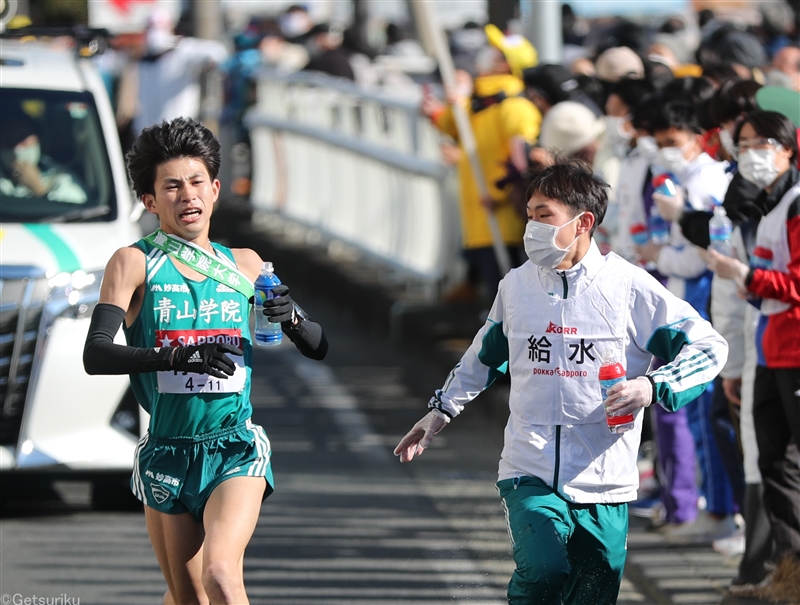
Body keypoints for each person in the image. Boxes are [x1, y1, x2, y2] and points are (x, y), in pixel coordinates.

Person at [395, 157, 729, 605]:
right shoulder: (515, 286)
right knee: (545, 571)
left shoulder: (629, 287)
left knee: (594, 589)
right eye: (528, 216)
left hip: (604, 478)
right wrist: (439, 412)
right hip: (528, 467)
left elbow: (709, 346)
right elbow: (484, 357)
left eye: (543, 216)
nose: (531, 227)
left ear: (583, 222)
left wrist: (651, 387)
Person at [83, 117, 328, 604]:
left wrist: (291, 318)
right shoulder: (132, 262)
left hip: (234, 445)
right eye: (171, 186)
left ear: (215, 190)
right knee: (187, 596)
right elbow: (96, 353)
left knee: (220, 573)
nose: (186, 195)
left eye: (196, 182)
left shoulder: (247, 264)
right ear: (151, 202)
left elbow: (317, 345)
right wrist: (178, 357)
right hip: (167, 449)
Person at [707, 109, 800, 584]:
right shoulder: (767, 205)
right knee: (773, 464)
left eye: (762, 144)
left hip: (795, 351)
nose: (751, 154)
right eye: (742, 146)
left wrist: (745, 276)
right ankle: (788, 571)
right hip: (769, 349)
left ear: (788, 147)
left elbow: (797, 282)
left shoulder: (796, 203)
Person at [422, 25, 541, 303]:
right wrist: (445, 107)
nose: (485, 53)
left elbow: (523, 162)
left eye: (494, 50)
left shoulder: (515, 107)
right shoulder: (480, 104)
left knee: (511, 300)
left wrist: (498, 194)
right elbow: (452, 126)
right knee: (495, 300)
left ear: (504, 63)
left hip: (503, 220)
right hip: (480, 220)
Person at [133, 8, 228, 136]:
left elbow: (217, 52)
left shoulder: (184, 50)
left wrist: (211, 61)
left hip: (179, 133)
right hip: (150, 136)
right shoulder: (144, 60)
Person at [0, 109, 87, 204]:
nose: (16, 147)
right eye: (8, 139)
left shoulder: (62, 179)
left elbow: (76, 214)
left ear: (38, 139)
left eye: (22, 137)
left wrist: (38, 189)